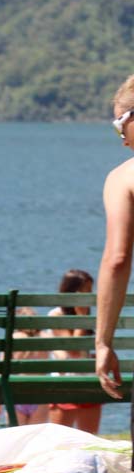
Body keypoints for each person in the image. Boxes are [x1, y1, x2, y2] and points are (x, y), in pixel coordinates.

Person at [98, 78, 134, 432]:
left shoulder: (124, 177)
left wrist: (103, 341)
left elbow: (117, 259)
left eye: (118, 125)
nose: (122, 139)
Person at [48, 269, 99, 433]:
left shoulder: (87, 316)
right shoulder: (56, 315)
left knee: (89, 439)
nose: (89, 295)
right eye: (84, 291)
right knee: (60, 439)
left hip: (87, 380)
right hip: (65, 382)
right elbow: (73, 351)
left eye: (90, 290)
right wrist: (82, 319)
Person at [0, 307, 50, 425]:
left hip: (15, 395)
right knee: (36, 435)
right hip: (40, 396)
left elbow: (0, 370)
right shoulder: (45, 337)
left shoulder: (12, 338)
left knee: (17, 434)